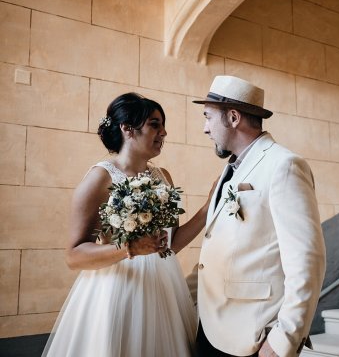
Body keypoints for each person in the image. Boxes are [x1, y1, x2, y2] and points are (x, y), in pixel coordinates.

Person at [42, 93, 212, 357]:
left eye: (163, 125)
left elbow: (171, 245)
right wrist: (128, 249)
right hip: (119, 289)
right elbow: (74, 256)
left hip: (163, 288)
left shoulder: (162, 176)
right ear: (127, 128)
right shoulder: (100, 177)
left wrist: (207, 208)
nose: (164, 132)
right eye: (155, 124)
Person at [193, 76, 326, 357]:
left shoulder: (284, 165)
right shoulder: (228, 174)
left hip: (253, 337)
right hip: (210, 327)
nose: (205, 128)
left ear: (232, 117)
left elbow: (307, 259)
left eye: (208, 117)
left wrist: (284, 340)